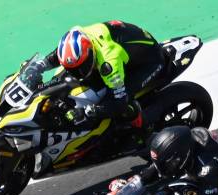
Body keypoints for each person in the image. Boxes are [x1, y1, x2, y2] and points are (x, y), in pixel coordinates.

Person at [26, 21, 167, 128]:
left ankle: (143, 127)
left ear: (90, 56)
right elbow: (60, 54)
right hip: (124, 49)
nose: (75, 73)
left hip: (150, 61)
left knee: (125, 105)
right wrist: (41, 65)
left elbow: (118, 103)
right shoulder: (80, 37)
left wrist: (87, 112)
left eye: (79, 68)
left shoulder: (109, 64)